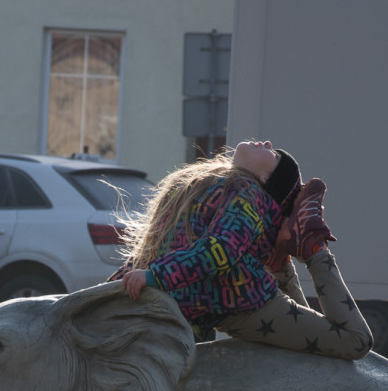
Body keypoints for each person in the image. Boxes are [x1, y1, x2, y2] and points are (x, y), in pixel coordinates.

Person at [114, 140, 372, 359]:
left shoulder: (247, 191)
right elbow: (154, 247)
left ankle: (314, 248)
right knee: (312, 330)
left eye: (275, 156)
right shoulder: (204, 183)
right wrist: (115, 286)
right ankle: (283, 252)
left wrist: (153, 276)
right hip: (214, 301)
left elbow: (221, 250)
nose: (268, 144)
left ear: (264, 179)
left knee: (356, 340)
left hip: (238, 299)